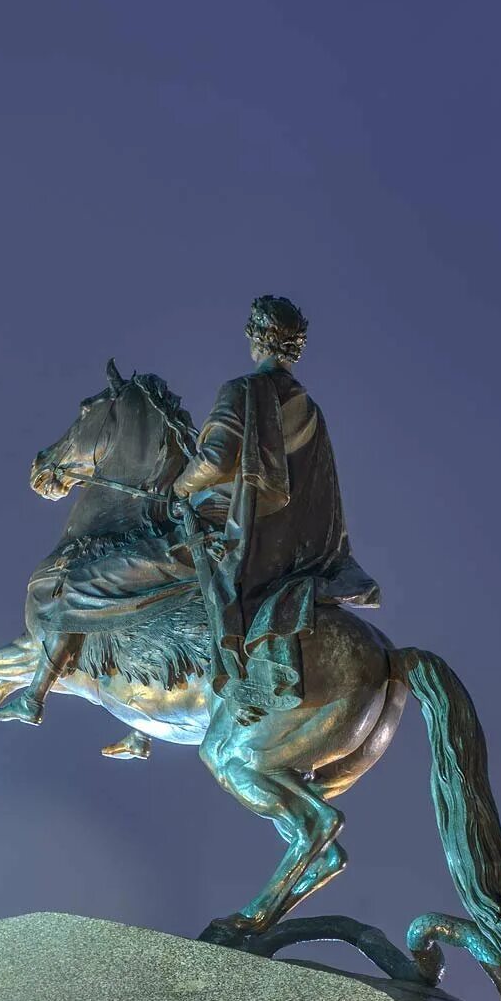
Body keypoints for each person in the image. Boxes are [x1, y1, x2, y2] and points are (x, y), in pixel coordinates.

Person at [170, 295, 376, 712]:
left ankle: (218, 674)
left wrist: (178, 487)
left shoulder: (243, 391)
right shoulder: (311, 410)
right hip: (304, 550)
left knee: (172, 560)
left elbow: (215, 459)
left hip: (255, 542)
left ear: (255, 340)